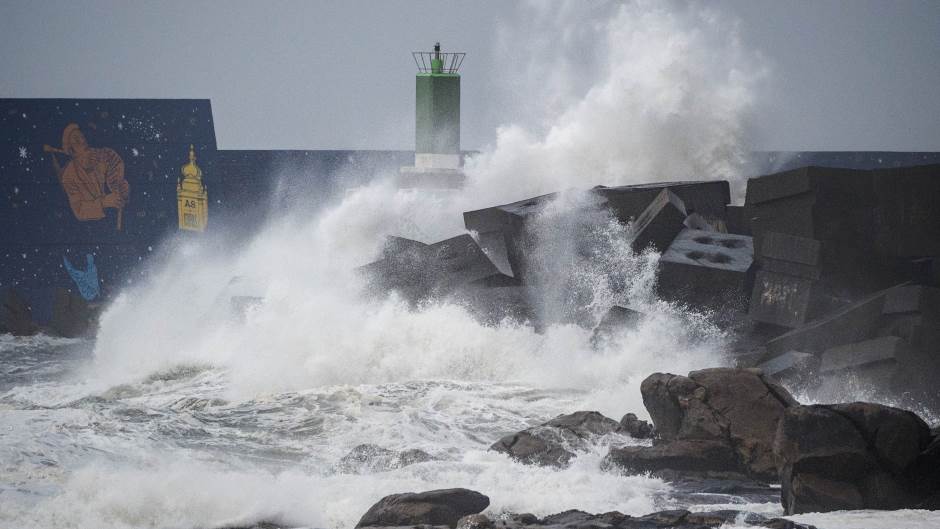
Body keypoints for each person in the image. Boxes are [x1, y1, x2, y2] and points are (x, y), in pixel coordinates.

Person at [56, 123, 130, 226]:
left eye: (82, 137)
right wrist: (103, 203)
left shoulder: (102, 155)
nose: (82, 141)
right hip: (91, 227)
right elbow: (79, 211)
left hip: (116, 218)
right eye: (76, 140)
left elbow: (116, 171)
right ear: (70, 148)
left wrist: (122, 190)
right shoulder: (69, 176)